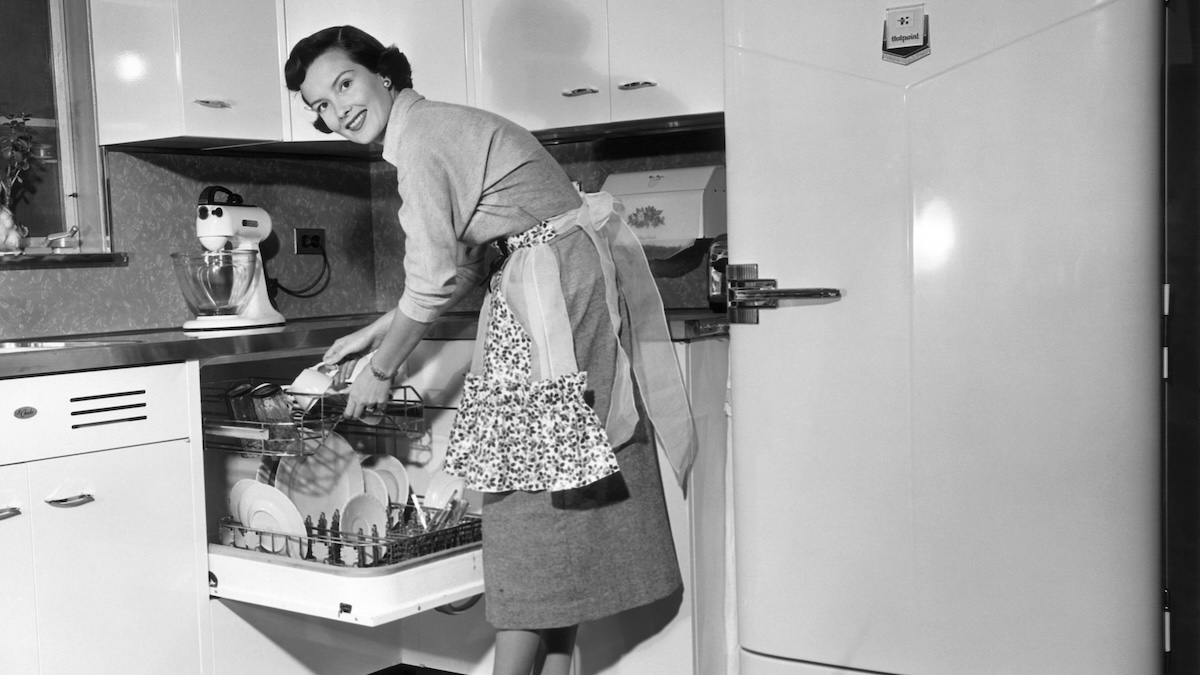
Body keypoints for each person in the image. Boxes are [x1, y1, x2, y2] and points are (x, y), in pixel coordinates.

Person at [285, 26, 696, 675]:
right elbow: (472, 259)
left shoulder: (419, 144)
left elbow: (434, 280)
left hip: (551, 298)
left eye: (343, 84)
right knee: (558, 493)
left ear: (382, 73)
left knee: (525, 507)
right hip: (561, 284)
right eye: (321, 107)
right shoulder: (433, 127)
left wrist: (381, 369)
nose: (338, 111)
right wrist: (376, 329)